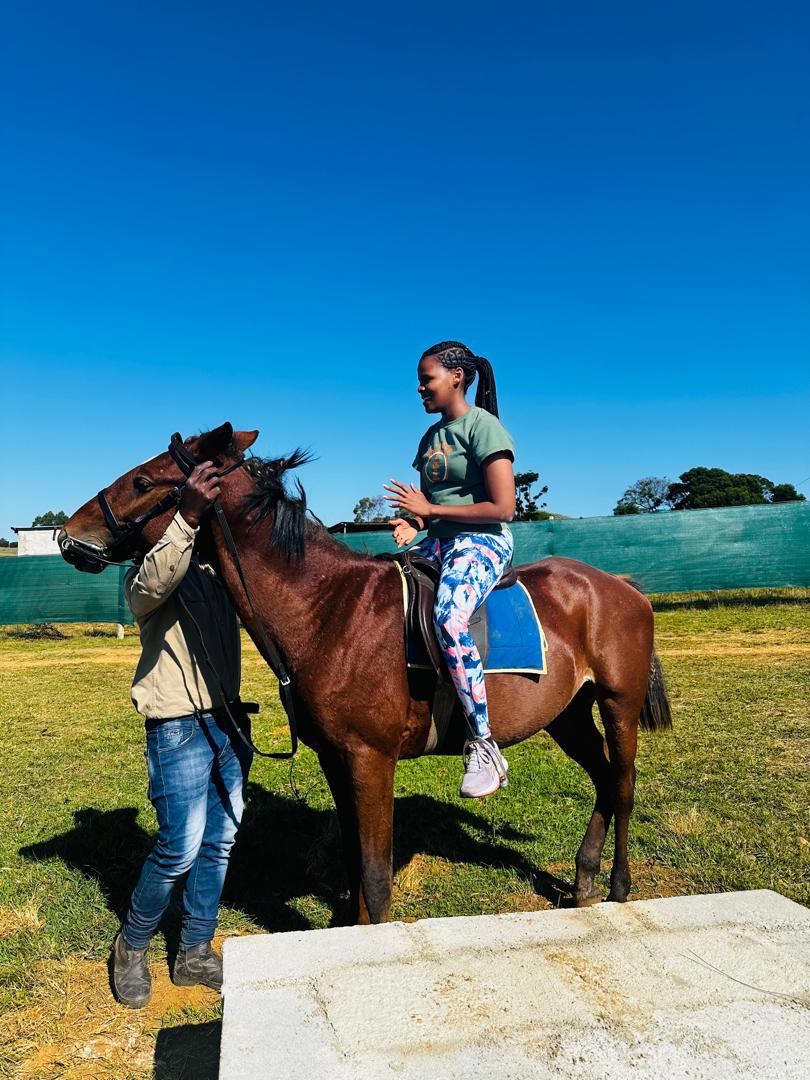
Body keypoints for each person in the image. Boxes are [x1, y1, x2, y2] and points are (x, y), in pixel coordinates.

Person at [111, 462, 252, 1009]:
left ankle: (193, 949)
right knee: (179, 846)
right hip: (177, 724)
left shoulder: (219, 570)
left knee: (219, 843)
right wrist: (188, 515)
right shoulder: (147, 573)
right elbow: (153, 585)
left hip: (229, 720)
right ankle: (132, 944)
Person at [385, 340, 516, 799]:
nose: (420, 388)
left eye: (427, 379)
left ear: (456, 377)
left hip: (483, 541)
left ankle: (483, 743)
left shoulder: (485, 427)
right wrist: (412, 521)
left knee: (448, 616)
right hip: (439, 541)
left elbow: (504, 507)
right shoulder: (430, 439)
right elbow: (432, 509)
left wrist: (428, 510)